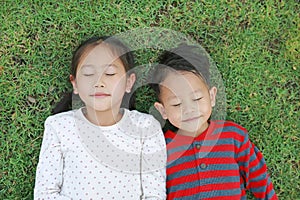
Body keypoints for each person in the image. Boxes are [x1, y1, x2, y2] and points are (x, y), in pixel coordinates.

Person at [34, 36, 166, 199]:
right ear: (75, 83)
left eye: (110, 73)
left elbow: (154, 194)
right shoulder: (60, 127)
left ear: (129, 82)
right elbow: (44, 193)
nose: (99, 82)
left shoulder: (146, 127)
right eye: (88, 73)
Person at [149, 44, 278, 199]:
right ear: (163, 110)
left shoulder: (233, 136)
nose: (189, 109)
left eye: (196, 99)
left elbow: (258, 176)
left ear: (211, 96)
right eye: (177, 104)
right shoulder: (159, 147)